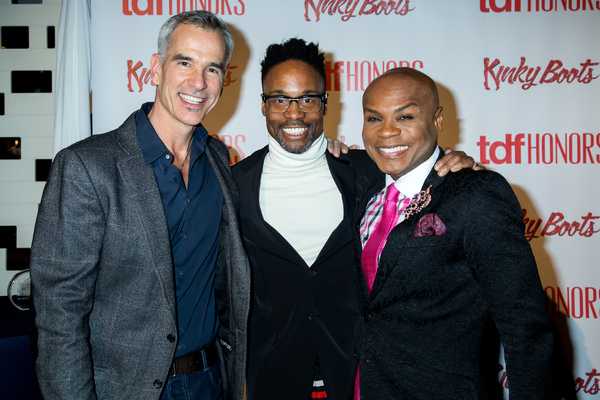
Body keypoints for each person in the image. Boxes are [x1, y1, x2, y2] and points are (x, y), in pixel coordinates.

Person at [232, 39, 477, 400]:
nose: (294, 113)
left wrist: (462, 168)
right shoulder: (234, 185)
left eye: (308, 99)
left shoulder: (369, 170)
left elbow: (433, 183)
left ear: (325, 103)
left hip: (364, 375)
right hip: (274, 377)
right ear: (264, 105)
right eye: (280, 99)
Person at [29, 11, 249, 400]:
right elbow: (59, 315)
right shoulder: (87, 166)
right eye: (185, 62)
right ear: (156, 68)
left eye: (212, 69)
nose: (198, 83)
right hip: (122, 389)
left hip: (209, 381)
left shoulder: (217, 158)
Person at [351, 67, 557, 399]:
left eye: (404, 117)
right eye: (373, 119)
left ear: (438, 120)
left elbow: (526, 329)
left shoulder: (477, 194)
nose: (386, 132)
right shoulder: (367, 196)